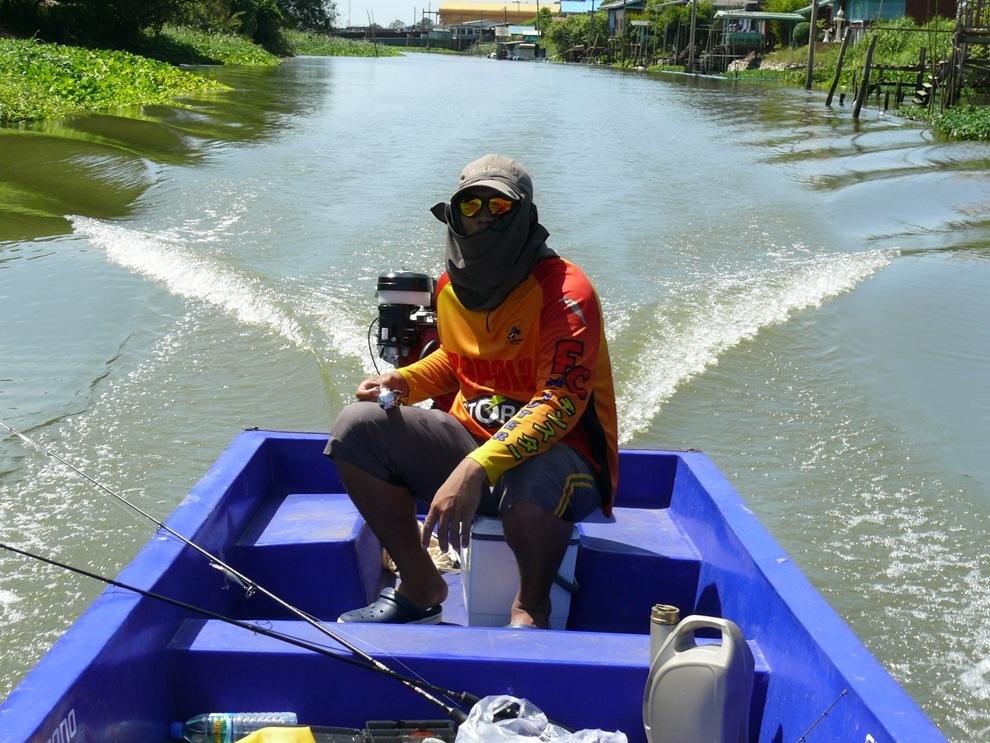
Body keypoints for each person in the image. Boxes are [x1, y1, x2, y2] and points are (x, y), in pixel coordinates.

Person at [326, 154, 618, 628]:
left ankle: (532, 608)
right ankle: (420, 587)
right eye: (472, 205)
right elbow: (457, 361)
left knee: (535, 477)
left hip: (563, 460)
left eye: (499, 208)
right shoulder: (448, 287)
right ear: (454, 214)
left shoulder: (566, 292)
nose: (483, 216)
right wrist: (403, 380)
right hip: (473, 446)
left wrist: (476, 467)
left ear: (524, 216)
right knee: (356, 427)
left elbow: (561, 401)